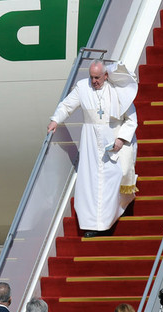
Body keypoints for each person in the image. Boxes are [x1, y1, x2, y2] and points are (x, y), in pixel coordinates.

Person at [47, 59, 138, 237]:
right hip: (90, 143)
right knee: (92, 184)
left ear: (105, 75)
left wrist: (120, 139)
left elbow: (132, 120)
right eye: (92, 77)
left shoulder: (117, 91)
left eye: (97, 77)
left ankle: (109, 221)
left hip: (113, 143)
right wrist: (55, 119)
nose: (94, 81)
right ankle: (95, 225)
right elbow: (67, 105)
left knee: (111, 181)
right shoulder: (83, 87)